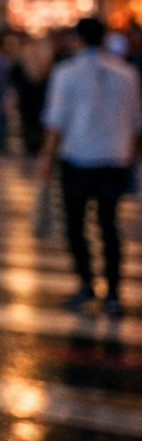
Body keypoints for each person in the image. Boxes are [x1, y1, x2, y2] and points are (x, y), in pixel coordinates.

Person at [38, 17, 139, 318]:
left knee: (76, 225)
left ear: (77, 39)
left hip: (77, 158)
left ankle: (86, 282)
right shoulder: (127, 74)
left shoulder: (65, 73)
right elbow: (136, 124)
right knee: (109, 225)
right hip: (115, 158)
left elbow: (55, 123)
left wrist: (46, 157)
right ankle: (113, 293)